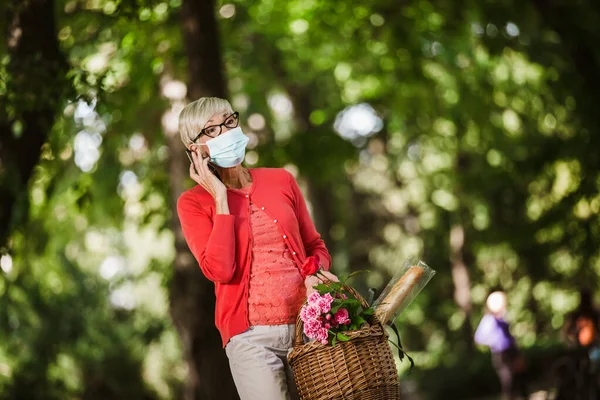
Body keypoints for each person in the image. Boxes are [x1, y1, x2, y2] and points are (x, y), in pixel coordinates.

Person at [176, 97, 338, 400]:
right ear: (195, 150)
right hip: (250, 339)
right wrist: (220, 197)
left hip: (309, 328)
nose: (225, 132)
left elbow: (316, 246)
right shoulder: (193, 203)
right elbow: (220, 270)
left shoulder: (281, 180)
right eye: (210, 130)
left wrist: (316, 271)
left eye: (228, 122)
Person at [474, 291, 527, 400]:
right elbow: (479, 338)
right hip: (500, 353)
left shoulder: (503, 317)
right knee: (508, 380)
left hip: (512, 351)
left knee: (521, 378)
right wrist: (495, 341)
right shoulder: (489, 320)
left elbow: (510, 337)